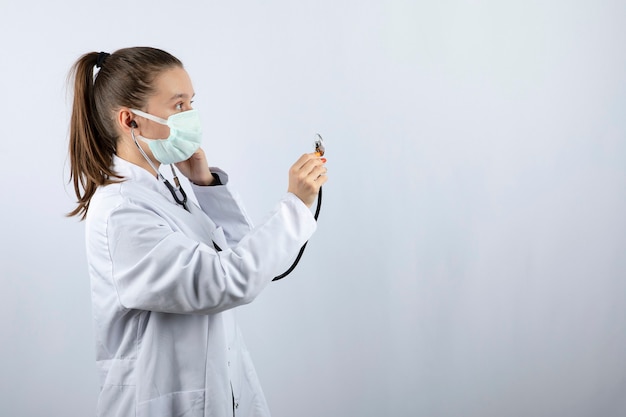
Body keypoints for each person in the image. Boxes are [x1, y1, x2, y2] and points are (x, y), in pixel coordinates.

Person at [67, 46, 327, 417]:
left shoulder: (168, 188)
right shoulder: (121, 212)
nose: (191, 116)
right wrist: (295, 203)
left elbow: (239, 251)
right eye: (178, 105)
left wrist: (205, 185)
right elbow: (227, 281)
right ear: (130, 120)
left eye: (191, 102)